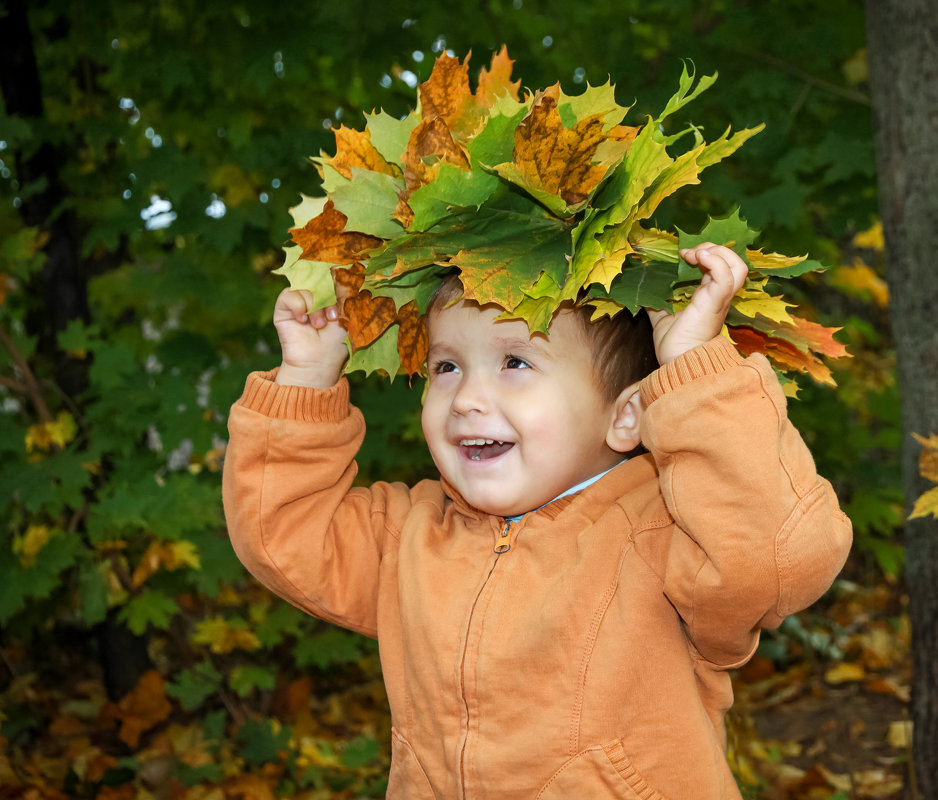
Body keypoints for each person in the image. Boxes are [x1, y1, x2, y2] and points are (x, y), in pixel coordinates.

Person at [222, 242, 853, 799]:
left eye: (515, 363)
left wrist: (695, 370)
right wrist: (305, 380)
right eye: (447, 366)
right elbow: (283, 536)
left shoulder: (670, 531)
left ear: (627, 415)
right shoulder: (412, 534)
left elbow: (775, 560)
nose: (467, 398)